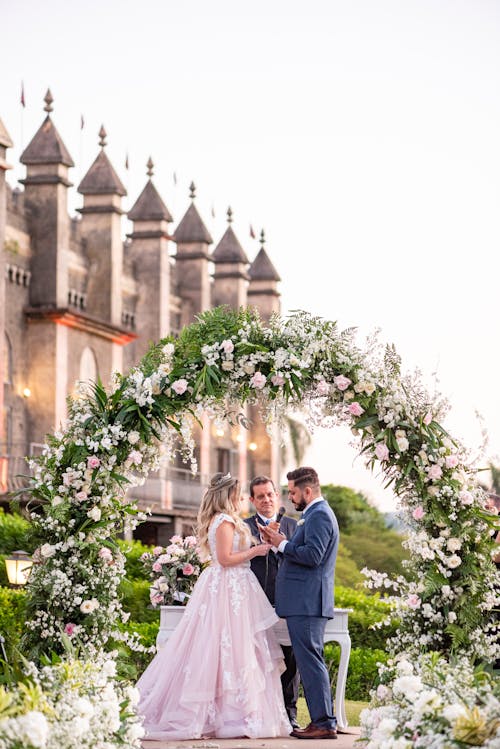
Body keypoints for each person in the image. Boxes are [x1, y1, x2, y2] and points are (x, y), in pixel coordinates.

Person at [137, 472, 292, 740]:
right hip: (227, 588)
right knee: (223, 648)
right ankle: (225, 715)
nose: (242, 497)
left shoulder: (229, 520)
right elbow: (224, 559)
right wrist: (255, 551)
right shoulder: (222, 520)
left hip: (238, 589)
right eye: (238, 492)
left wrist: (262, 544)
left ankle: (239, 713)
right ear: (227, 494)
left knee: (240, 649)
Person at [260, 466, 339, 740]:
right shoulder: (313, 515)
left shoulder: (319, 515)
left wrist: (282, 544)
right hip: (303, 603)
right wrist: (278, 542)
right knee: (310, 662)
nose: (290, 497)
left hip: (307, 603)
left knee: (310, 663)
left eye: (293, 492)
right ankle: (324, 720)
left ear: (307, 490)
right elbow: (303, 554)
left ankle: (324, 723)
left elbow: (313, 556)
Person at [244, 475, 300, 728]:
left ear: (276, 495)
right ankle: (258, 716)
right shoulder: (243, 527)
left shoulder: (293, 526)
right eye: (261, 496)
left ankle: (290, 715)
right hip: (254, 603)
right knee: (256, 660)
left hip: (287, 603)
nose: (267, 500)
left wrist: (278, 544)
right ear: (252, 500)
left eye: (270, 494)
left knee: (290, 660)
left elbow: (299, 561)